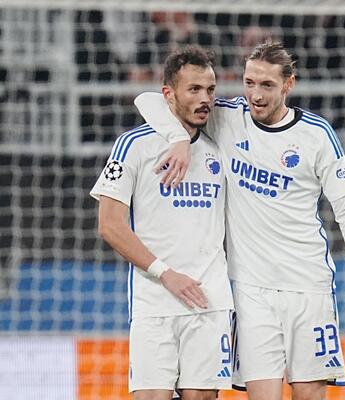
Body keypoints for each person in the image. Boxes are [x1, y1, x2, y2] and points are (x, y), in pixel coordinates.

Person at [134, 41, 345, 400]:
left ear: (288, 84)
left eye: (267, 85)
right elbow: (148, 100)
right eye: (249, 83)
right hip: (251, 292)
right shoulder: (228, 118)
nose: (256, 94)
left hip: (308, 288)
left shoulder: (315, 135)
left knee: (309, 395)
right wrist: (178, 139)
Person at [90, 46, 234, 400]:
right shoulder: (133, 145)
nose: (205, 99)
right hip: (154, 300)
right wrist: (165, 273)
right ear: (169, 94)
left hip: (209, 300)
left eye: (210, 90)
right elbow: (109, 225)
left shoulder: (223, 146)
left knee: (201, 396)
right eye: (194, 89)